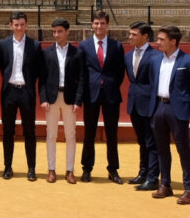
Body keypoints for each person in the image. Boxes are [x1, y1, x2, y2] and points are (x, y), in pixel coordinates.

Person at [149, 26, 190, 205]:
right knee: (161, 148)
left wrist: (186, 107)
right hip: (159, 107)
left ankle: (189, 189)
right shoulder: (156, 60)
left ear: (173, 41)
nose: (158, 42)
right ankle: (165, 184)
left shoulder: (189, 61)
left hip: (177, 109)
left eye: (162, 39)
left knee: (183, 149)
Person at [78, 10, 126, 183]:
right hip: (91, 95)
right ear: (92, 24)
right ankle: (86, 168)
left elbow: (120, 72)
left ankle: (113, 169)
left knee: (112, 133)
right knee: (89, 133)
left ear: (108, 25)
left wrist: (110, 84)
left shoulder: (116, 46)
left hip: (111, 95)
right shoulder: (84, 46)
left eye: (102, 23)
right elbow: (82, 72)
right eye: (96, 23)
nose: (99, 26)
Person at [40, 18, 87, 184]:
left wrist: (78, 100)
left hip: (69, 98)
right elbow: (43, 78)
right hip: (52, 98)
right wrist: (44, 98)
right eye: (54, 31)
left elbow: (82, 78)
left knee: (71, 135)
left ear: (67, 32)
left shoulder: (77, 53)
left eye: (60, 31)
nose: (56, 34)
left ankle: (70, 170)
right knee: (51, 134)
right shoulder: (46, 52)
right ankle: (51, 169)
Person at [0, 11, 43, 180]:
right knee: (8, 131)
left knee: (29, 131)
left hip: (26, 92)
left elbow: (38, 71)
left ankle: (31, 168)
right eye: (16, 25)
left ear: (27, 25)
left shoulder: (35, 45)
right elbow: (3, 67)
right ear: (10, 25)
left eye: (22, 24)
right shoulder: (3, 45)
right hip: (9, 91)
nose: (19, 28)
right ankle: (7, 167)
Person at [124, 22, 161, 191]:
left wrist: (155, 105)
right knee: (142, 140)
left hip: (149, 104)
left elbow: (156, 83)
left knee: (151, 141)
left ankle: (153, 178)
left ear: (146, 36)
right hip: (135, 103)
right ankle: (143, 173)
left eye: (134, 34)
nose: (130, 37)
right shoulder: (128, 55)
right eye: (130, 34)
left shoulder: (155, 56)